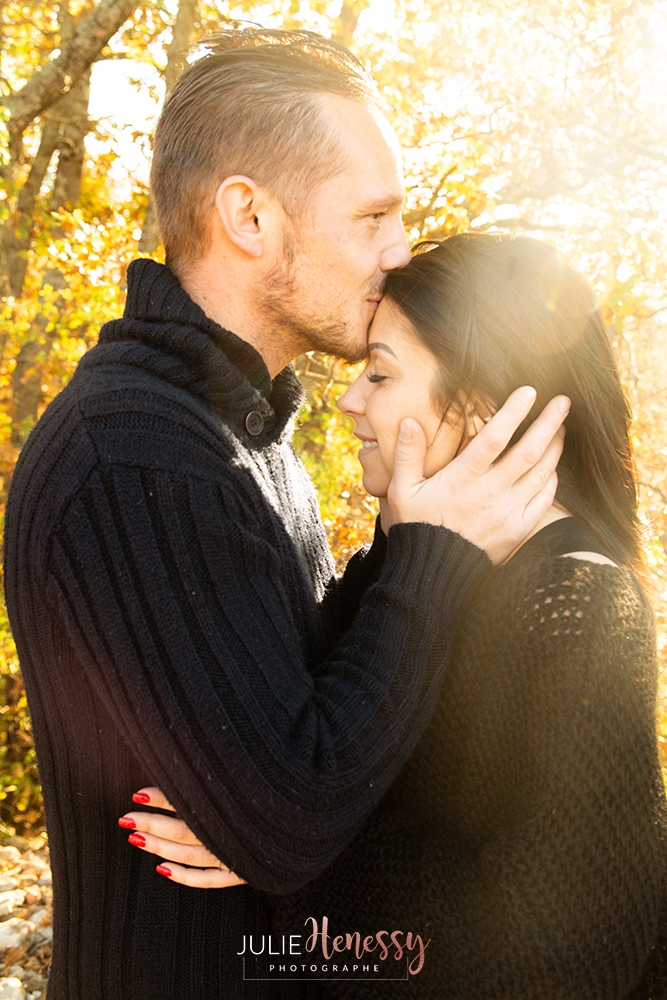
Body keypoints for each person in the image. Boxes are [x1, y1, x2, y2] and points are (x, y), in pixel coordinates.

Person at [3, 31, 567, 1000]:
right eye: (372, 216)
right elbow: (297, 809)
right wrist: (437, 553)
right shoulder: (135, 453)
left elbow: (309, 711)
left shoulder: (236, 430)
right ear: (249, 215)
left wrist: (411, 540)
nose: (397, 254)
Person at [128, 234, 667, 998]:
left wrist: (291, 853)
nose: (348, 398)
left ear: (479, 408)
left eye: (379, 373)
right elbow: (319, 718)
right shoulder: (422, 568)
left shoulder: (577, 606)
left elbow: (562, 960)